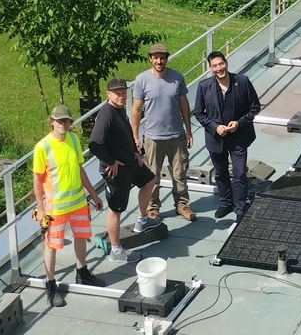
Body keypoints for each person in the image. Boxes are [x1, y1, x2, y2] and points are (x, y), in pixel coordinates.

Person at [32, 105, 105, 307]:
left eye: (67, 121)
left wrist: (93, 194)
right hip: (55, 209)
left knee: (81, 237)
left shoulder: (73, 139)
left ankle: (82, 273)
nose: (64, 124)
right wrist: (41, 208)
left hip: (78, 203)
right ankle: (51, 285)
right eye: (60, 121)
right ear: (52, 121)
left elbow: (79, 169)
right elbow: (37, 180)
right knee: (52, 246)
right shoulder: (43, 147)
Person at [89, 78, 161, 264]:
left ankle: (142, 220)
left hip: (130, 162)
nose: (121, 96)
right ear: (108, 94)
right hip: (116, 171)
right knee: (116, 210)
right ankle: (116, 250)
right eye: (117, 93)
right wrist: (110, 162)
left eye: (123, 92)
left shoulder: (119, 110)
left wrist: (135, 152)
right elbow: (95, 144)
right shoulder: (106, 114)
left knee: (149, 181)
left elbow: (126, 134)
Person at [193, 51, 261, 223]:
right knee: (221, 173)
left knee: (239, 174)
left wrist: (239, 123)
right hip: (216, 138)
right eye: (214, 66)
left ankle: (240, 207)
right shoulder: (204, 86)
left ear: (226, 63)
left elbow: (254, 108)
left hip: (238, 137)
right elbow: (199, 113)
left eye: (221, 64)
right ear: (210, 68)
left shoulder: (243, 82)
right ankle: (226, 202)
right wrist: (216, 128)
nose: (219, 68)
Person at [131, 44, 196, 221]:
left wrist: (189, 131)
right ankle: (153, 207)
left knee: (180, 173)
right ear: (150, 59)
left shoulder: (177, 78)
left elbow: (184, 104)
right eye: (156, 57)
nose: (159, 61)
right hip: (153, 138)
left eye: (162, 57)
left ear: (167, 58)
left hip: (177, 136)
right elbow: (136, 110)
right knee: (153, 176)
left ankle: (182, 205)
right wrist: (135, 137)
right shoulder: (142, 80)